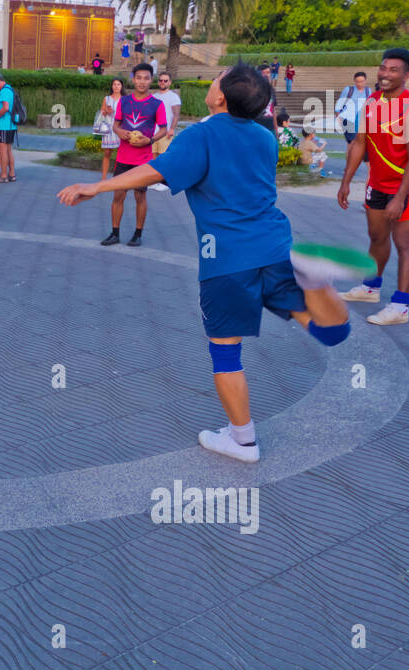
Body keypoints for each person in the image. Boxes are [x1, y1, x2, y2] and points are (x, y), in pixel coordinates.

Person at [58, 62, 366, 464]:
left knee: (226, 354)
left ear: (221, 96)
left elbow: (152, 172)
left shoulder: (200, 135)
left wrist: (96, 185)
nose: (212, 81)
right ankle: (316, 281)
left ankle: (243, 441)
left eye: (217, 79)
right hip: (275, 247)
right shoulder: (264, 137)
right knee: (331, 335)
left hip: (227, 259)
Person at [336, 48, 409, 325]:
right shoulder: (372, 103)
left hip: (406, 186)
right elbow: (359, 143)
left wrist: (400, 197)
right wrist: (346, 181)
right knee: (376, 237)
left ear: (407, 75)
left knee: (404, 243)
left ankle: (400, 306)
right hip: (377, 183)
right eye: (383, 68)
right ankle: (370, 288)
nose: (385, 74)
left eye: (393, 70)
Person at [102, 63, 168, 247]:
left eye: (146, 78)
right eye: (139, 77)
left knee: (140, 196)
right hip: (123, 157)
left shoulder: (157, 104)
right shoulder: (124, 102)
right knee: (118, 195)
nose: (142, 81)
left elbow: (163, 129)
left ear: (151, 80)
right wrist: (119, 131)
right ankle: (114, 233)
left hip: (142, 160)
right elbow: (116, 124)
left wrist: (150, 140)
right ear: (133, 79)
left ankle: (137, 234)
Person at [96, 77, 124, 181]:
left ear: (121, 86)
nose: (116, 86)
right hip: (108, 127)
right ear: (112, 86)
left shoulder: (125, 99)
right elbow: (101, 113)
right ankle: (104, 178)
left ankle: (118, 177)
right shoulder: (106, 98)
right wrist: (106, 111)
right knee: (107, 152)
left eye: (118, 84)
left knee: (121, 153)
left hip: (121, 128)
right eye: (114, 84)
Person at [0, 71, 17, 183]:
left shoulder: (5, 91)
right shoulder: (9, 89)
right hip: (11, 125)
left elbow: (5, 108)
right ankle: (12, 175)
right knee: (8, 150)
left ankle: (3, 176)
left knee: (3, 151)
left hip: (4, 125)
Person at [334, 72, 372, 143]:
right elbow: (339, 104)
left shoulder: (368, 91)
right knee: (352, 142)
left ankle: (353, 154)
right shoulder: (348, 90)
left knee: (360, 142)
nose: (359, 84)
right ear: (354, 81)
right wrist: (338, 118)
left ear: (365, 81)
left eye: (361, 81)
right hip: (347, 120)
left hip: (361, 121)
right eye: (357, 82)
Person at [256, 64, 277, 134]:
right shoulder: (253, 90)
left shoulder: (272, 90)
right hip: (257, 126)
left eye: (268, 72)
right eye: (263, 73)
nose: (266, 75)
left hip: (270, 127)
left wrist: (276, 128)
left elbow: (273, 109)